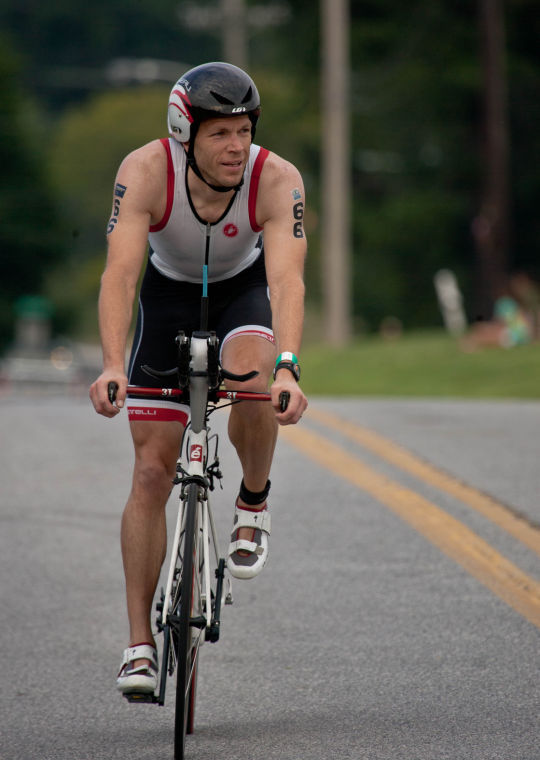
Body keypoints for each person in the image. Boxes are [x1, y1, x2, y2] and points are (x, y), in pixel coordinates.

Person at [89, 62, 308, 695]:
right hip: (168, 298)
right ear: (186, 134)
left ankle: (253, 502)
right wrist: (110, 363)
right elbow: (121, 277)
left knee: (255, 371)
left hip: (242, 294)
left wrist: (290, 365)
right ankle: (137, 644)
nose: (236, 146)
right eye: (219, 134)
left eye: (243, 130)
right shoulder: (145, 172)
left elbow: (286, 279)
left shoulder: (278, 178)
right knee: (152, 472)